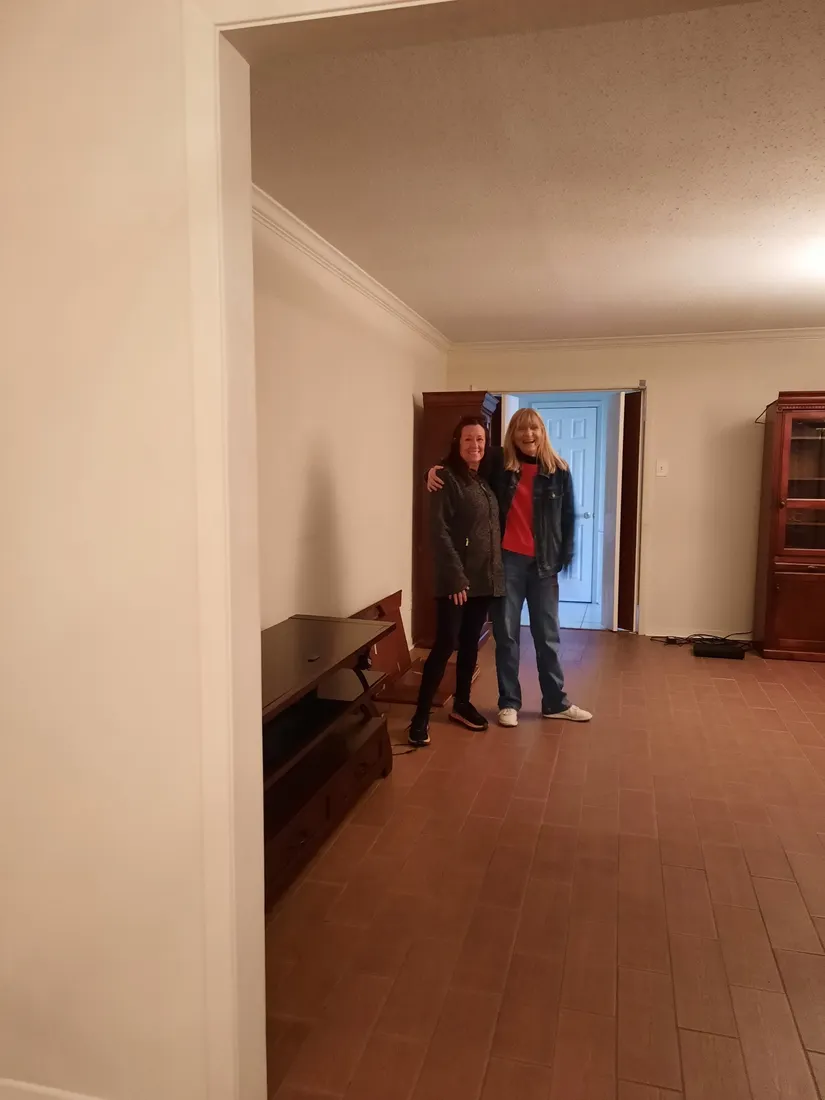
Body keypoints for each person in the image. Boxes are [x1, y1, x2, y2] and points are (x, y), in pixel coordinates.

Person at [427, 407, 592, 728]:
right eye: (521, 429)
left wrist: (563, 557)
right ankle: (509, 702)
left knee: (548, 637)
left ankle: (555, 702)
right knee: (507, 637)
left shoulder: (559, 470)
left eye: (534, 429)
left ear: (543, 432)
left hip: (543, 566)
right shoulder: (499, 464)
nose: (528, 435)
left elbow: (567, 517)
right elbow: (460, 459)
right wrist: (430, 471)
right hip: (506, 564)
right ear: (512, 435)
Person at [409, 415, 504, 748]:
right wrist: (455, 578)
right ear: (456, 442)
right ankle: (420, 717)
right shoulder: (445, 478)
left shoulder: (483, 475)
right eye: (467, 439)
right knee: (445, 644)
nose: (475, 445)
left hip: (483, 578)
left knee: (469, 644)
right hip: (457, 581)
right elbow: (439, 532)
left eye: (480, 439)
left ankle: (462, 704)